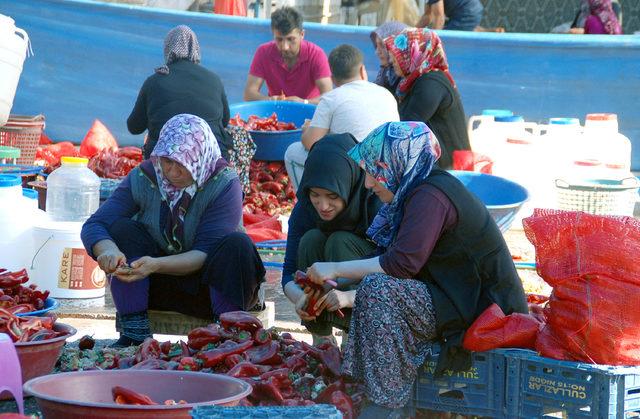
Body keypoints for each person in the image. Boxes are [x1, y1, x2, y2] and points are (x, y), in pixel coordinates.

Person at [304, 121, 528, 417]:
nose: (369, 184)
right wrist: (340, 290)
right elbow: (398, 260)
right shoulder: (418, 190)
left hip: (484, 308)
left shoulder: (430, 196)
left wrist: (334, 270)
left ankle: (386, 403)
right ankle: (383, 393)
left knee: (377, 290)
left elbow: (400, 264)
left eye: (375, 173)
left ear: (397, 164)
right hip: (452, 295)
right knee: (373, 291)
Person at [81, 114, 265, 347]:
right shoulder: (146, 176)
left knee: (236, 245)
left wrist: (156, 264)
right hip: (156, 285)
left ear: (199, 160)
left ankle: (226, 336)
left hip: (210, 288)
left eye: (182, 164)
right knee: (122, 229)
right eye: (168, 161)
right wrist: (107, 251)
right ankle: (134, 332)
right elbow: (96, 224)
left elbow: (204, 252)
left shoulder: (223, 183)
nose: (171, 172)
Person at [282, 133, 381, 343]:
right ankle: (322, 340)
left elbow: (396, 269)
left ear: (350, 183)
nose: (323, 206)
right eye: (315, 195)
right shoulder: (305, 210)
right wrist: (301, 299)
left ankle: (354, 338)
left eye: (333, 196)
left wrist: (349, 298)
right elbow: (288, 274)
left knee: (339, 240)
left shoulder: (375, 204)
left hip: (368, 293)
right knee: (310, 240)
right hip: (328, 286)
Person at [284, 44, 399, 190]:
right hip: (389, 168)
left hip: (352, 172)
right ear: (362, 70)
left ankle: (309, 206)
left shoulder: (331, 98)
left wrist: (307, 129)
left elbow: (310, 143)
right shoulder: (386, 94)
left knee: (293, 152)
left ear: (332, 78)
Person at [127, 25, 234, 160]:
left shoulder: (154, 81)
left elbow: (134, 127)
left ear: (167, 48)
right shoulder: (213, 79)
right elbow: (224, 121)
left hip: (165, 167)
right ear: (195, 48)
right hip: (212, 162)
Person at [384, 28, 470, 170]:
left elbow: (406, 125)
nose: (392, 59)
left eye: (398, 54)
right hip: (437, 160)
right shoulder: (414, 80)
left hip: (449, 167)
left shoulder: (431, 83)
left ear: (415, 53)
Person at [244, 6, 332, 104]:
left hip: (309, 113)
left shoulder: (316, 54)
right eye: (279, 39)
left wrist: (304, 102)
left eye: (291, 39)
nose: (285, 47)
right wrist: (271, 100)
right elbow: (249, 94)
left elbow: (329, 97)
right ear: (273, 35)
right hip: (275, 112)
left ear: (302, 34)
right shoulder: (263, 52)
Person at [369, 21, 408, 97]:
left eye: (382, 46)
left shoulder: (409, 79)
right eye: (376, 46)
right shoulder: (387, 72)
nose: (377, 52)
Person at [417, 0, 483, 31]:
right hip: (473, 9)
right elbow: (427, 16)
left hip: (467, 11)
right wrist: (410, 31)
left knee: (446, 40)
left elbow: (439, 17)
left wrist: (434, 41)